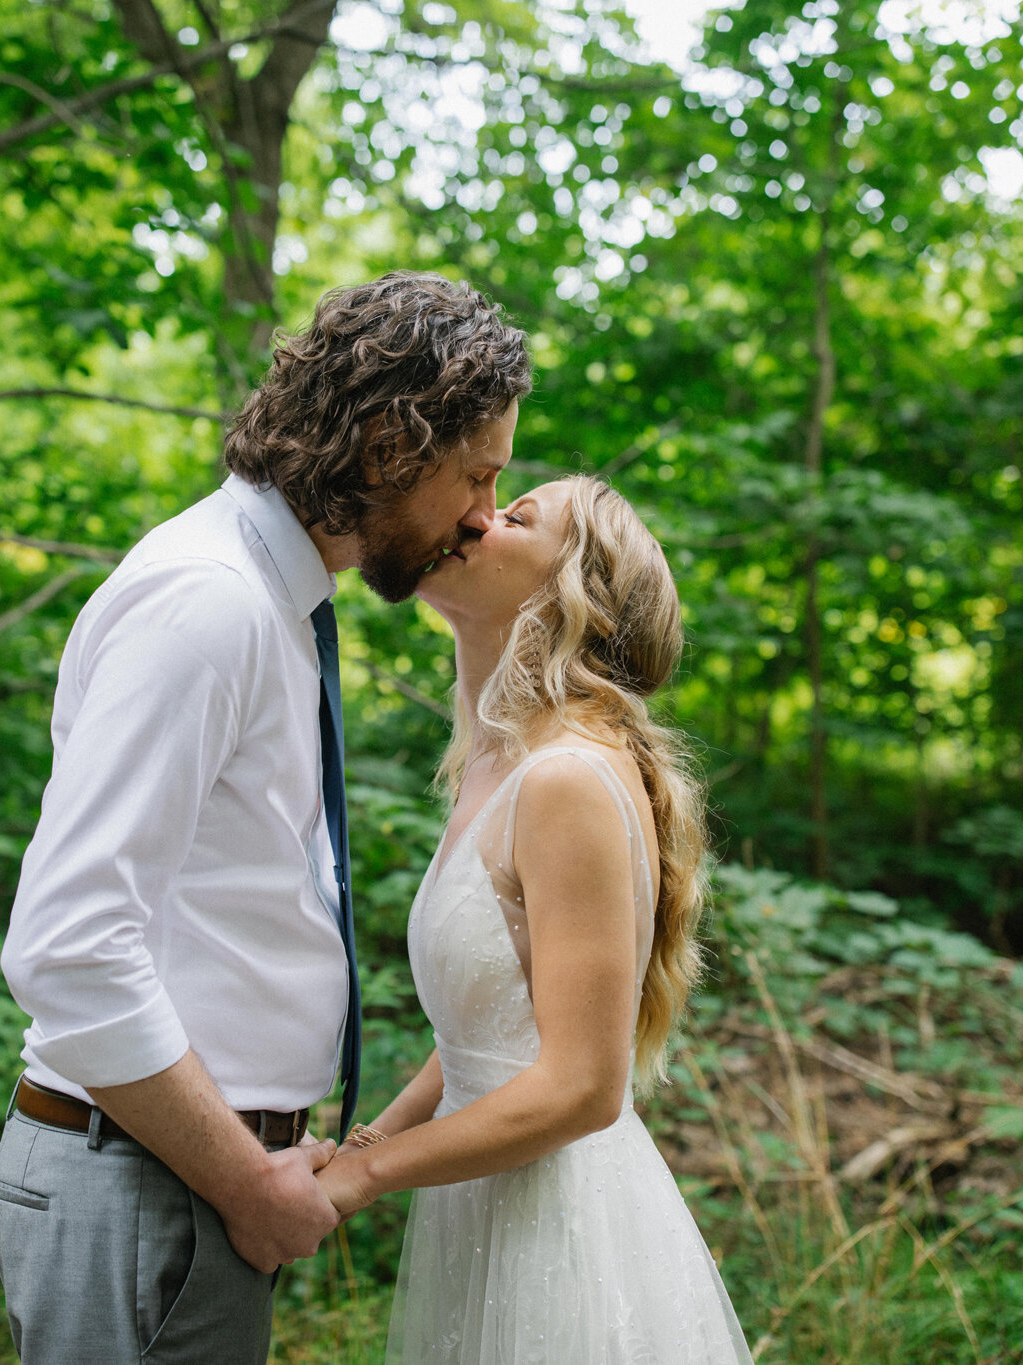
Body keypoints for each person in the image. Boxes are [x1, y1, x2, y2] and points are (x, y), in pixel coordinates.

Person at [0, 271, 532, 1364]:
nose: (482, 514)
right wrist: (247, 1184)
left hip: (175, 1182)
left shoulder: (270, 601)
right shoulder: (209, 603)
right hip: (147, 1184)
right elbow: (69, 947)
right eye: (474, 475)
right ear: (388, 445)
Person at [313, 475, 756, 1363]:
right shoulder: (496, 766)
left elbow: (583, 1087)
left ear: (575, 594)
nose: (480, 514)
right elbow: (496, 1023)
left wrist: (362, 1179)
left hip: (558, 1230)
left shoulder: (566, 779)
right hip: (478, 1205)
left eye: (519, 517)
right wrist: (368, 1139)